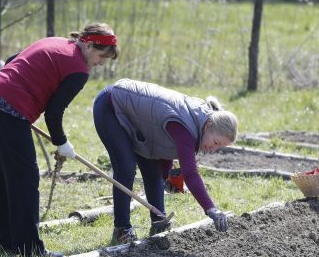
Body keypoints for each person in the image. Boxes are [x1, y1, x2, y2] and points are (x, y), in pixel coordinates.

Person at [0, 23, 119, 257]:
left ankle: (7, 241)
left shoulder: (56, 41)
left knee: (3, 173)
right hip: (10, 109)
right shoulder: (78, 71)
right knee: (25, 179)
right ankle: (29, 249)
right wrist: (62, 143)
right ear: (87, 43)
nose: (101, 62)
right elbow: (54, 112)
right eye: (100, 55)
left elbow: (13, 59)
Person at [93, 78, 238, 245]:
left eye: (218, 148)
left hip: (138, 120)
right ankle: (122, 230)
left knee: (153, 172)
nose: (213, 150)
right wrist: (211, 209)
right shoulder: (187, 128)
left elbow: (162, 144)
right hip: (111, 105)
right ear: (209, 126)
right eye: (216, 143)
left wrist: (166, 176)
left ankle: (159, 223)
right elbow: (191, 175)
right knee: (126, 168)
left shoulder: (202, 121)